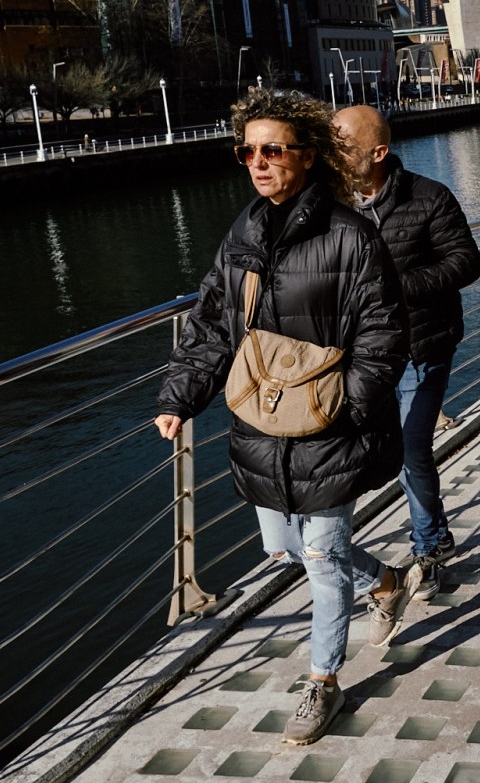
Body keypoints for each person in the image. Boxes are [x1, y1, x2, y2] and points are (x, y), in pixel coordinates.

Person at [154, 89, 411, 746]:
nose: (258, 162)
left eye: (273, 149)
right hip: (261, 424)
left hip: (329, 427)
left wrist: (348, 409)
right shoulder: (244, 232)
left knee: (322, 556)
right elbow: (214, 318)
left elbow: (384, 335)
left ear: (308, 156)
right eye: (248, 151)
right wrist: (181, 396)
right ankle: (384, 579)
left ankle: (322, 683)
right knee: (282, 549)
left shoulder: (352, 237)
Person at [336, 106, 480, 601]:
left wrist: (395, 287)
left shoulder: (429, 196)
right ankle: (435, 535)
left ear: (378, 152)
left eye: (343, 145)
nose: (333, 153)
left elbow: (465, 262)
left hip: (424, 343)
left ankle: (427, 548)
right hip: (359, 354)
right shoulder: (331, 203)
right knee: (369, 450)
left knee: (411, 449)